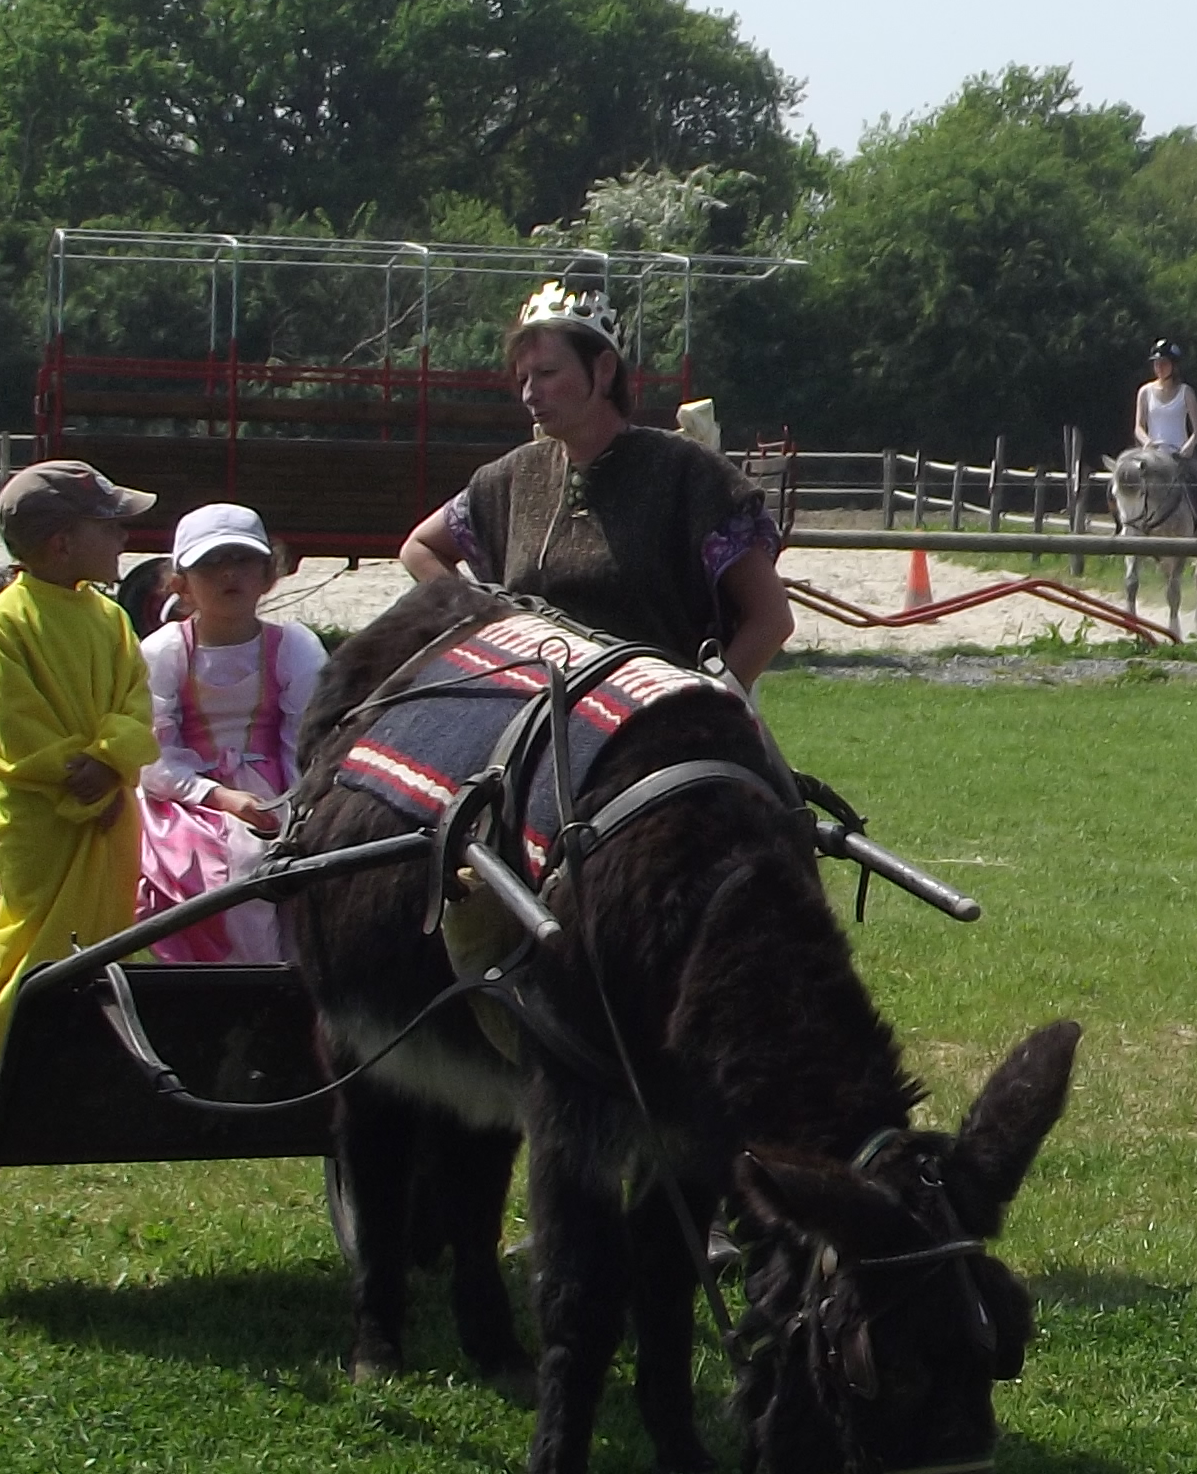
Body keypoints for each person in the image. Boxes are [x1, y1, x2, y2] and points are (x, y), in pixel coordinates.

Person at [396, 277, 795, 679]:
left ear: (604, 370)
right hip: (534, 704)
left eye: (547, 373)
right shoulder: (510, 479)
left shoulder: (688, 474)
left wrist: (707, 699)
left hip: (652, 708)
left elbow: (770, 617)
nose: (530, 394)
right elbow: (420, 548)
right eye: (523, 379)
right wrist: (483, 625)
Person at [0, 457, 160, 1052]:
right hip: (44, 821)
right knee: (37, 940)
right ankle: (19, 1059)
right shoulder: (6, 624)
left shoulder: (111, 619)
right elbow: (11, 729)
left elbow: (136, 701)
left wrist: (111, 762)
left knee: (107, 937)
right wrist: (84, 782)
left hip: (110, 816)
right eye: (109, 526)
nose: (123, 537)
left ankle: (91, 1060)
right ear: (62, 543)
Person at [132, 502, 326, 965]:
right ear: (181, 583)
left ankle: (296, 969)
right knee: (239, 860)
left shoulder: (294, 646)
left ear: (268, 575)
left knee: (305, 853)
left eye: (243, 560)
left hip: (277, 790)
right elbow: (151, 754)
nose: (229, 575)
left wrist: (296, 803)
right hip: (186, 797)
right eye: (211, 564)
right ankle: (240, 973)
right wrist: (217, 796)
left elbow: (308, 739)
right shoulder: (165, 652)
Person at [1134, 340, 1197, 537]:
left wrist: (1188, 447)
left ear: (1174, 366)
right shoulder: (1145, 392)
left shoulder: (1186, 392)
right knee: (1124, 482)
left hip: (1179, 456)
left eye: (1164, 363)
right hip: (1153, 455)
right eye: (1156, 363)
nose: (1159, 367)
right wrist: (1147, 442)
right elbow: (1138, 427)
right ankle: (1124, 526)